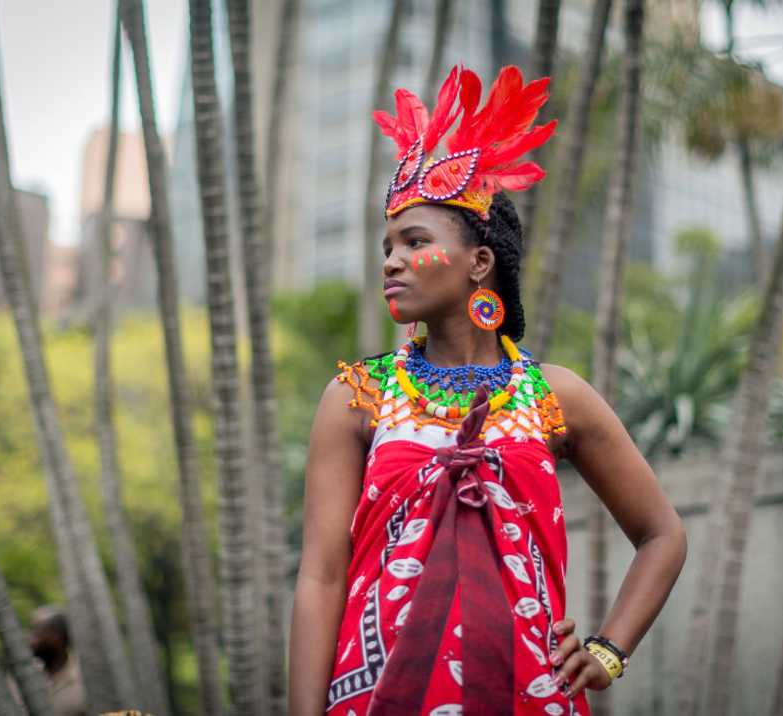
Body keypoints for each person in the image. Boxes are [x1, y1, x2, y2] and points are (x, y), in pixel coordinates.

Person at [290, 65, 687, 715]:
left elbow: (662, 533)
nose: (390, 260)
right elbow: (320, 575)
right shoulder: (357, 395)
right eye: (387, 244)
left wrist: (608, 649)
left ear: (480, 263)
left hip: (527, 694)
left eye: (414, 242)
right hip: (377, 698)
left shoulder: (556, 396)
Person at [27, 606, 88, 716]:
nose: (30, 640)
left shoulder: (85, 678)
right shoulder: (25, 674)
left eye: (36, 634)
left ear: (57, 637)